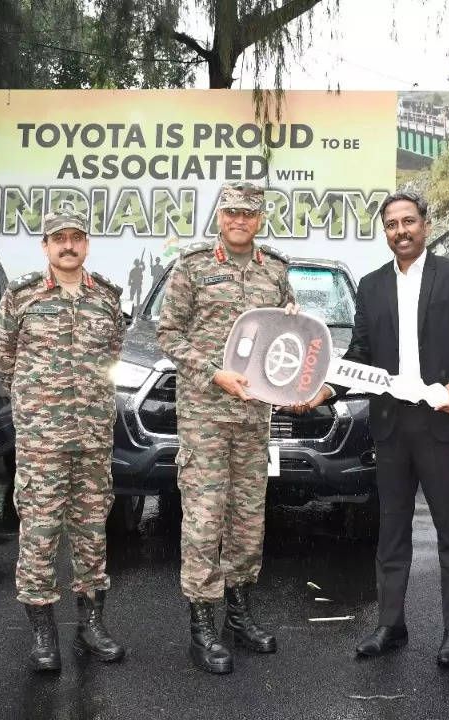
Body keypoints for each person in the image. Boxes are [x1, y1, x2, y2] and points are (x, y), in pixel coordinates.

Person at [301, 190, 449, 669]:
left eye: (409, 222)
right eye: (392, 224)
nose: (401, 231)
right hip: (390, 426)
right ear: (384, 231)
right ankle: (390, 624)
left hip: (442, 424)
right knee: (391, 532)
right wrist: (326, 390)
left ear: (426, 225)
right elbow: (361, 354)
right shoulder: (370, 286)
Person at [156, 181, 297, 675]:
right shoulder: (193, 268)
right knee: (203, 521)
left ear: (260, 219)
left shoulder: (275, 272)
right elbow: (167, 333)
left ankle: (239, 615)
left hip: (254, 418)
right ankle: (202, 626)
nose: (239, 220)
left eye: (249, 213)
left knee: (248, 520)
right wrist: (211, 371)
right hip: (205, 418)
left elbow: (289, 331)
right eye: (232, 211)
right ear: (220, 215)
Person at [0, 207, 127, 672]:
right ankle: (43, 634)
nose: (68, 245)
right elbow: (1, 357)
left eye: (76, 237)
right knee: (40, 532)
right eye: (58, 238)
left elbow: (112, 353)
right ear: (45, 246)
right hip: (42, 442)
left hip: (92, 438)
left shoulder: (107, 298)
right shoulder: (22, 296)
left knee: (92, 531)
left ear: (86, 243)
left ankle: (91, 625)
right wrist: (36, 408)